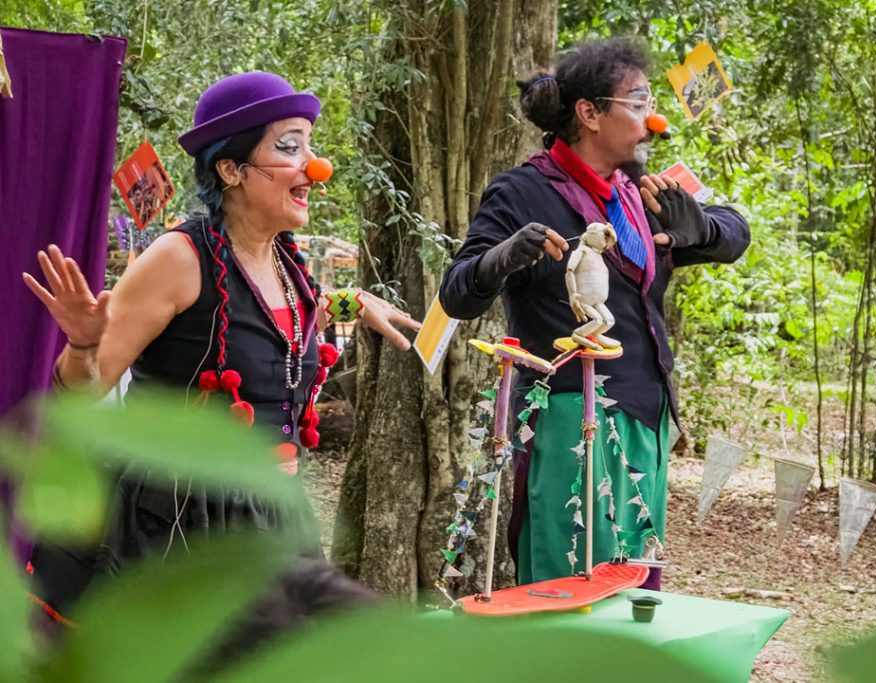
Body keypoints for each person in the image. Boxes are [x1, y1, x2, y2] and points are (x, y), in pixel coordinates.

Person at [22, 71, 420, 616]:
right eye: (289, 147)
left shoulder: (285, 261)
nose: (315, 166)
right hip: (178, 524)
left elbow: (282, 323)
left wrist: (355, 303)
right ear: (231, 169)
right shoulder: (178, 259)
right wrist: (86, 346)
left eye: (310, 145)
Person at [438, 39, 750, 587]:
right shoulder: (523, 192)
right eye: (637, 101)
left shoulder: (637, 189)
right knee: (573, 590)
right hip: (567, 420)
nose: (651, 117)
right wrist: (503, 256)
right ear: (589, 113)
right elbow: (457, 294)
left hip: (646, 414)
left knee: (635, 588)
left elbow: (735, 234)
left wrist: (700, 226)